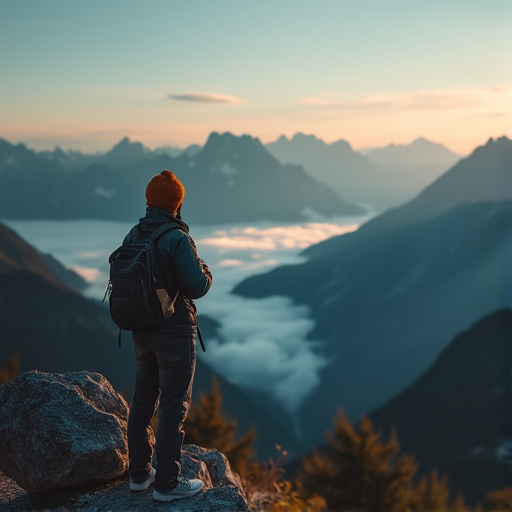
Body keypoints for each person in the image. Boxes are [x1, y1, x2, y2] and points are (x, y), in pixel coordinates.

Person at [125, 170, 212, 503]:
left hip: (141, 331)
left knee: (143, 400)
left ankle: (138, 476)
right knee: (173, 406)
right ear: (177, 204)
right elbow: (197, 286)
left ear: (149, 201)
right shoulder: (177, 238)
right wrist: (203, 266)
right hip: (174, 334)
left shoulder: (134, 233)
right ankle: (166, 484)